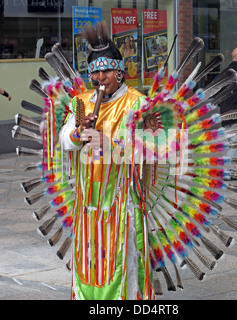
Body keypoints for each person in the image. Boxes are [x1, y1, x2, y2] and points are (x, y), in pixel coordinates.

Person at [58, 22, 149, 300]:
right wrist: (78, 131)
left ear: (119, 72)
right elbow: (63, 141)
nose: (100, 77)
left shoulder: (138, 103)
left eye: (106, 70)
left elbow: (153, 150)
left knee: (125, 263)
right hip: (87, 203)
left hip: (123, 203)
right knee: (88, 264)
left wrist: (106, 142)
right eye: (95, 71)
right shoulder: (81, 102)